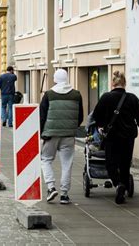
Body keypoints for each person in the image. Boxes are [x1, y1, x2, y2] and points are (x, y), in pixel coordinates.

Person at [93, 71, 139, 204]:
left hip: (111, 137)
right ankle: (123, 183)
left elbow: (96, 115)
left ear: (112, 83)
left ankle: (118, 184)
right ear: (125, 83)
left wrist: (100, 126)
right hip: (128, 138)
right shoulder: (132, 98)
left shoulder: (106, 97)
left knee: (111, 164)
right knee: (125, 164)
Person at [40, 69, 83, 204]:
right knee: (67, 163)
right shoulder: (76, 95)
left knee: (46, 159)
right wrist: (72, 127)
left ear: (55, 79)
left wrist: (42, 133)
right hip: (69, 135)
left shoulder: (49, 94)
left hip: (51, 134)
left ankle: (51, 187)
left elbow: (42, 115)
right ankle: (64, 195)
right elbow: (80, 116)